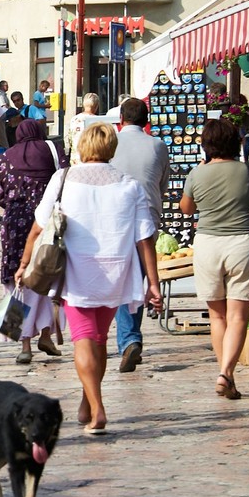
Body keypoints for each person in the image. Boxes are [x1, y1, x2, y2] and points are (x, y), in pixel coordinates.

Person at [20, 123, 161, 433]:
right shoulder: (130, 185)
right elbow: (144, 238)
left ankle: (98, 410)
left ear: (82, 146)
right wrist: (153, 282)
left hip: (77, 271)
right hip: (117, 272)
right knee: (98, 338)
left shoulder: (64, 179)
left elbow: (40, 225)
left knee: (83, 338)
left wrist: (25, 262)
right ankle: (88, 401)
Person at [179, 116, 249, 401]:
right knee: (238, 316)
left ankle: (225, 373)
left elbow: (186, 209)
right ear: (236, 142)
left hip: (207, 245)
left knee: (217, 316)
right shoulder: (248, 171)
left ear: (206, 145)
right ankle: (226, 374)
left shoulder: (197, 173)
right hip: (241, 244)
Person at [108, 96, 169, 373]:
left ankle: (129, 340)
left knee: (124, 279)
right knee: (138, 277)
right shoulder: (158, 145)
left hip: (116, 218)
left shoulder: (112, 143)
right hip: (149, 216)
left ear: (121, 119)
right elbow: (163, 183)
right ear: (147, 120)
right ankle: (130, 338)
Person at [0, 119, 63, 366]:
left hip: (14, 224)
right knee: (48, 274)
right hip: (47, 223)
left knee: (18, 280)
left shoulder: (5, 157)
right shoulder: (53, 151)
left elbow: (1, 195)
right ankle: (47, 334)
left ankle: (23, 343)